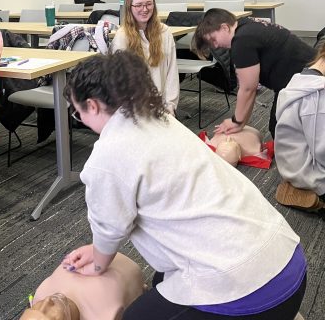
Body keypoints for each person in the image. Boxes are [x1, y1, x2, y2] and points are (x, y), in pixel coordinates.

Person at [62, 51, 306, 320]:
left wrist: (97, 264)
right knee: (161, 283)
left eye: (77, 112)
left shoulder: (106, 157)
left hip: (254, 292)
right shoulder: (161, 119)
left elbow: (110, 228)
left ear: (92, 106)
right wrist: (98, 250)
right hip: (289, 262)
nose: (80, 118)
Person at [192, 9, 314, 137]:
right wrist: (240, 122)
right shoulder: (246, 25)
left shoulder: (241, 41)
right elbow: (251, 89)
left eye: (213, 39)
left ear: (225, 28)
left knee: (282, 131)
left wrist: (236, 121)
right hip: (306, 75)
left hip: (306, 82)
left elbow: (248, 89)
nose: (215, 46)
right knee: (279, 128)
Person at [110, 0, 179, 115]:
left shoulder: (164, 32)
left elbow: (172, 73)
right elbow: (120, 80)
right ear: (129, 8)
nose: (145, 9)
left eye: (149, 4)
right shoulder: (122, 36)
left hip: (163, 107)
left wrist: (170, 105)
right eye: (139, 5)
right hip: (134, 109)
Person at [274, 42, 325, 212]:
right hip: (309, 173)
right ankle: (308, 193)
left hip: (296, 162)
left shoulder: (301, 80)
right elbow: (323, 153)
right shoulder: (317, 97)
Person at [20, 251, 145, 320]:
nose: (47, 301)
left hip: (103, 253)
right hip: (130, 276)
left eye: (32, 309)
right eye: (52, 317)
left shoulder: (42, 293)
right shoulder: (102, 314)